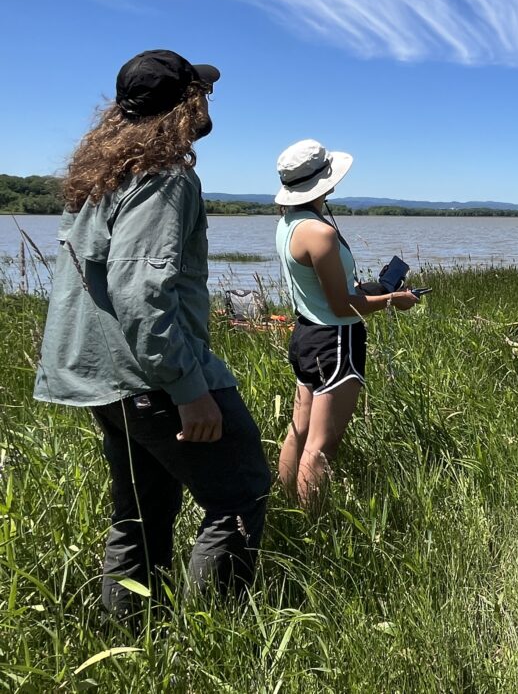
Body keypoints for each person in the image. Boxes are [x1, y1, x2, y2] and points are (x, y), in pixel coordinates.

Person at [33, 50, 272, 620]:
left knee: (141, 513)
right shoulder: (165, 178)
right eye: (202, 91)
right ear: (187, 102)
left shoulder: (104, 177)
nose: (208, 100)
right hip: (152, 378)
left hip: (104, 378)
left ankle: (131, 641)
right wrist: (189, 388)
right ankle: (216, 641)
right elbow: (142, 292)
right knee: (240, 493)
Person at [273, 139, 418, 507]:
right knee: (322, 446)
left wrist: (368, 289)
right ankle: (316, 525)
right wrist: (393, 299)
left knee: (299, 430)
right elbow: (341, 307)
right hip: (335, 342)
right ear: (325, 180)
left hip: (306, 334)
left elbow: (325, 291)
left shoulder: (289, 223)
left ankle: (288, 505)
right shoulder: (321, 233)